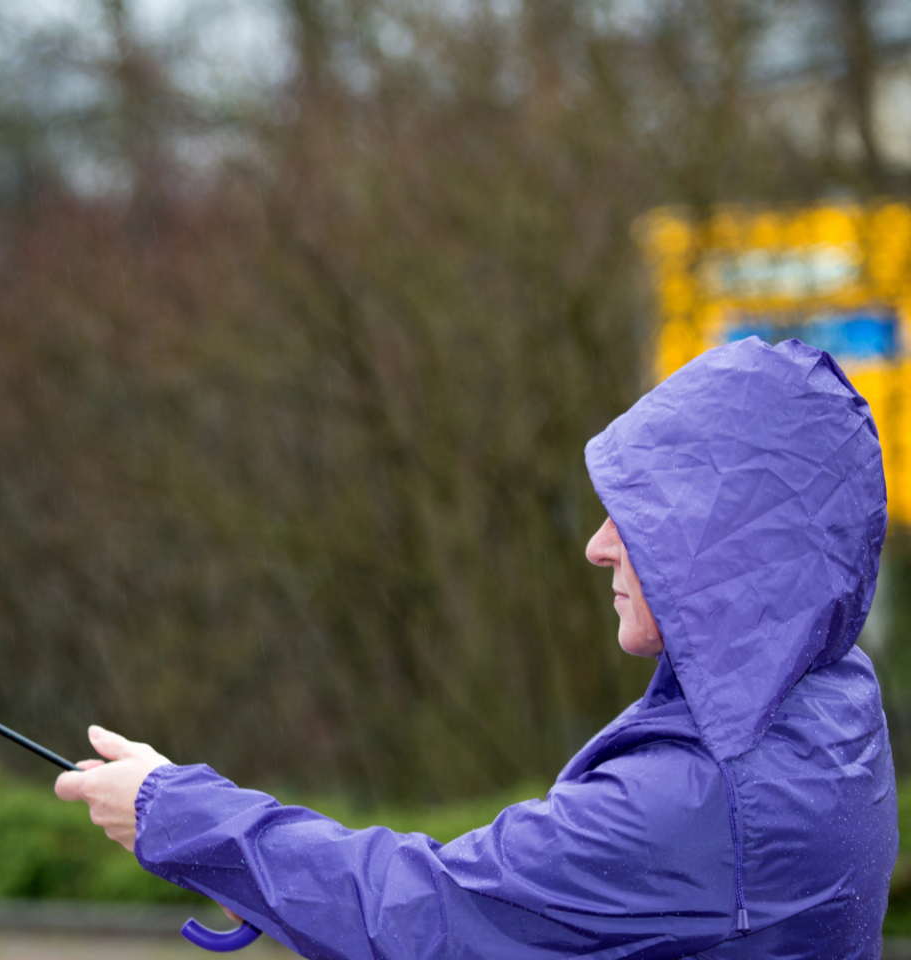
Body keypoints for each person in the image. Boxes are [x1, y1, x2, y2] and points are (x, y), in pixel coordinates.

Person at [55, 337, 898, 958]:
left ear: (725, 545)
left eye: (640, 520)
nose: (597, 546)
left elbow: (430, 915)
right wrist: (269, 884)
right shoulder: (828, 702)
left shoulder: (704, 801)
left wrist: (180, 817)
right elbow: (529, 901)